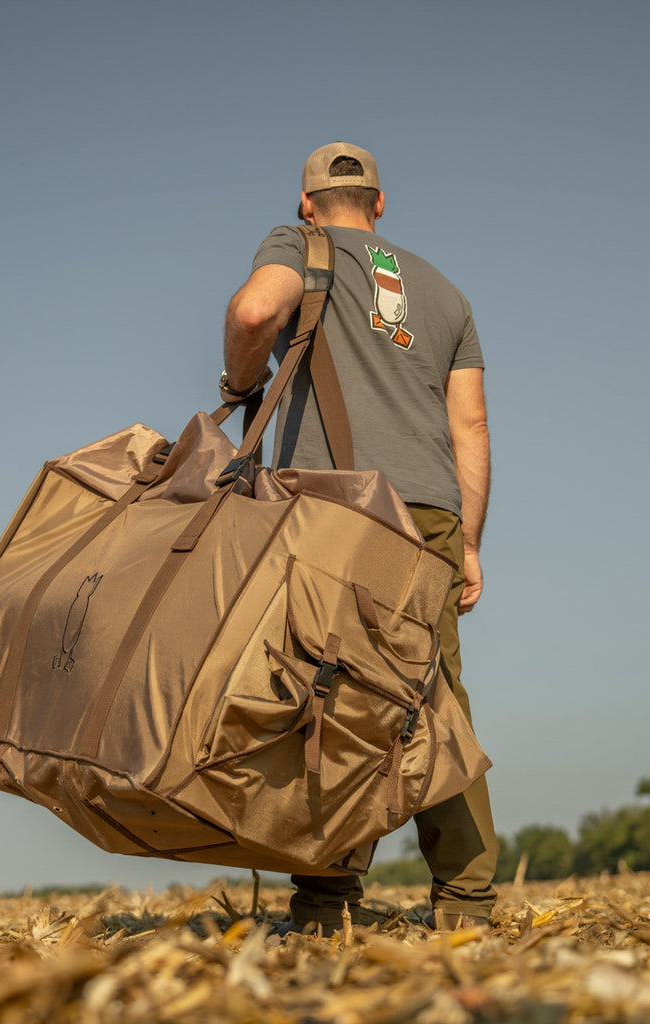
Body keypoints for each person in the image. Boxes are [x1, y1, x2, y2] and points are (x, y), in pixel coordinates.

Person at [220, 142, 498, 933]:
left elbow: (252, 313)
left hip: (334, 507)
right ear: (381, 204)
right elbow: (469, 422)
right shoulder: (445, 293)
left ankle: (326, 903)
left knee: (330, 695)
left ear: (307, 204)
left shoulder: (296, 247)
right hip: (431, 514)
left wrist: (240, 384)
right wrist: (469, 543)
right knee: (434, 695)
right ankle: (468, 905)